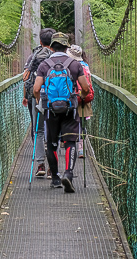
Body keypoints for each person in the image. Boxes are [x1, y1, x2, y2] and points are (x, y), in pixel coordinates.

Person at [33, 32, 90, 193]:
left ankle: (56, 179)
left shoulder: (44, 65)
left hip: (51, 110)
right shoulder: (74, 64)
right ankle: (68, 174)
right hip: (70, 109)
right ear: (66, 47)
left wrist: (39, 102)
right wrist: (80, 97)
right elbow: (85, 88)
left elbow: (36, 89)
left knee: (51, 143)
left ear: (51, 47)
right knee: (70, 142)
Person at [22, 28, 55, 178]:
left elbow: (26, 79)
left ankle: (41, 164)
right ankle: (52, 169)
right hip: (55, 99)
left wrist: (27, 96)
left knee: (39, 131)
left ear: (40, 42)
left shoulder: (33, 57)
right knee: (54, 132)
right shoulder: (58, 57)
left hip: (37, 97)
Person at [67, 44, 93, 158]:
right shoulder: (85, 66)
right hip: (83, 99)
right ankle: (81, 149)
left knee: (70, 124)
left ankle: (69, 147)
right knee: (82, 125)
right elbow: (89, 84)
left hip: (71, 99)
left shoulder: (68, 66)